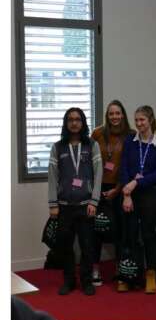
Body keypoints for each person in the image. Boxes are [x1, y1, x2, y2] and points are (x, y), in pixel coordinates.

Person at [48, 107, 103, 296]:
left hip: (86, 205)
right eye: (70, 119)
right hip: (64, 207)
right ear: (66, 123)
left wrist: (94, 201)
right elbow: (52, 177)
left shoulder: (92, 145)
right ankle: (69, 280)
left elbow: (98, 174)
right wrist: (53, 204)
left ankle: (86, 281)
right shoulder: (58, 147)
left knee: (87, 246)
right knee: (66, 246)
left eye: (77, 119)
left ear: (83, 122)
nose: (74, 123)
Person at [120, 106, 156, 294]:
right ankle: (128, 274)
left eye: (142, 120)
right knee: (129, 234)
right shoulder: (130, 142)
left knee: (148, 235)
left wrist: (135, 184)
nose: (139, 124)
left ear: (150, 120)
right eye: (137, 120)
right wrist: (127, 193)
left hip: (149, 193)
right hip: (129, 194)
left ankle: (150, 274)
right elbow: (123, 168)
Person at [90, 100, 134, 286]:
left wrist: (118, 189)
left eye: (118, 113)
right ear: (107, 116)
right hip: (99, 188)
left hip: (121, 189)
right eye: (111, 114)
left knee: (121, 230)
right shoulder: (97, 133)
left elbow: (131, 164)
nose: (114, 117)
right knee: (96, 230)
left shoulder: (131, 135)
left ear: (123, 114)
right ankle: (95, 269)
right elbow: (90, 162)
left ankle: (119, 268)